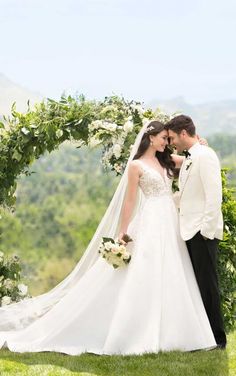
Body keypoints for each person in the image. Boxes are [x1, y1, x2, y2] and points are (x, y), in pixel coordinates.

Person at [0, 121, 216, 355]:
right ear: (151, 138)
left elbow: (194, 160)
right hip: (152, 220)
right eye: (164, 138)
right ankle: (139, 329)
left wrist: (202, 144)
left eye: (168, 138)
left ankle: (174, 330)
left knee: (174, 270)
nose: (167, 142)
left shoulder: (168, 160)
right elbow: (130, 201)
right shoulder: (136, 166)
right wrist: (123, 232)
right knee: (146, 270)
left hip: (170, 221)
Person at [166, 115, 227, 349]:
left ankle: (218, 339)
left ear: (183, 133)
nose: (171, 142)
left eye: (171, 137)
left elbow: (214, 197)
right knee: (196, 285)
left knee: (208, 285)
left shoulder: (206, 156)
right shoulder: (193, 156)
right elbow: (189, 195)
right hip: (189, 231)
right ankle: (202, 336)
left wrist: (206, 231)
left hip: (202, 233)